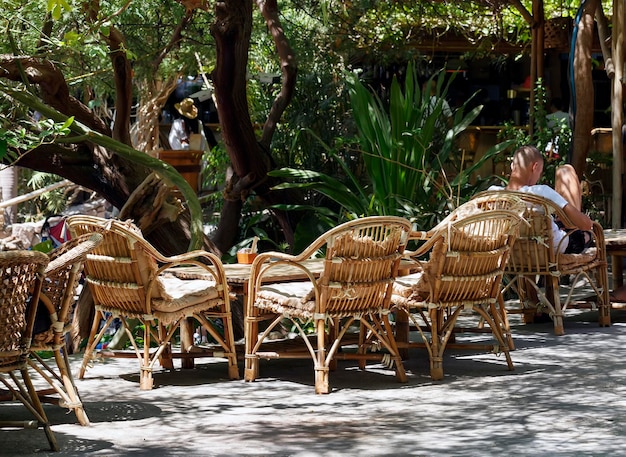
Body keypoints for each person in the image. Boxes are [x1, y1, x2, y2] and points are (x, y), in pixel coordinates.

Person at [489, 144, 593, 254]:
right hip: (551, 248)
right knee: (587, 232)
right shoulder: (540, 192)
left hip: (510, 252)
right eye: (539, 172)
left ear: (512, 166)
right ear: (535, 167)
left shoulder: (492, 193)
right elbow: (585, 224)